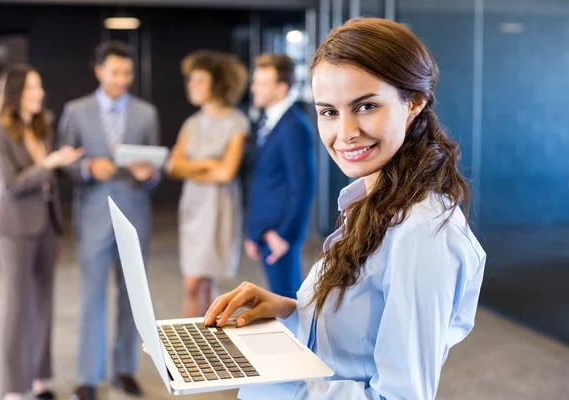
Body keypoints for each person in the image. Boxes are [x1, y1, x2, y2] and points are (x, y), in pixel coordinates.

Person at [204, 18, 487, 399]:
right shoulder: (371, 203)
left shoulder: (422, 232)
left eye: (366, 106)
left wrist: (283, 387)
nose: (345, 133)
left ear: (414, 102)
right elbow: (358, 341)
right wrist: (290, 311)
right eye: (329, 112)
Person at [59, 41, 160, 400]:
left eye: (127, 73)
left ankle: (124, 369)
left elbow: (155, 172)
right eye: (115, 72)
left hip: (135, 217)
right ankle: (88, 376)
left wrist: (148, 173)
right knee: (91, 297)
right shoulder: (76, 110)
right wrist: (86, 167)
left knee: (132, 299)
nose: (122, 79)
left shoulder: (147, 114)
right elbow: (65, 161)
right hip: (93, 217)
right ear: (98, 70)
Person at [0, 64, 83, 400]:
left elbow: (47, 174)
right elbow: (10, 184)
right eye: (32, 88)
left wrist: (63, 162)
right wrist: (49, 164)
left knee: (43, 303)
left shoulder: (41, 127)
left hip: (47, 226)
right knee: (18, 305)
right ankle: (14, 386)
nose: (40, 93)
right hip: (15, 229)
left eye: (39, 87)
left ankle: (39, 378)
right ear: (14, 93)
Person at [166, 50, 249, 318]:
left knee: (199, 281)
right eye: (191, 80)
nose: (192, 86)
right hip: (193, 205)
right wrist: (208, 165)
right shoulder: (192, 123)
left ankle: (198, 340)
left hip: (218, 206)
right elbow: (173, 166)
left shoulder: (236, 122)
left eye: (199, 80)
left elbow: (226, 174)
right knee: (197, 283)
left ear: (218, 83)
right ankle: (200, 339)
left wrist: (193, 167)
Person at [245, 53, 315, 299]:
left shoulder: (293, 126)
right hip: (266, 233)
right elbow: (266, 180)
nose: (254, 88)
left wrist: (284, 235)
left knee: (288, 305)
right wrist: (254, 232)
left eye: (261, 83)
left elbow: (303, 187)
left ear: (282, 88)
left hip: (278, 235)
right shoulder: (271, 121)